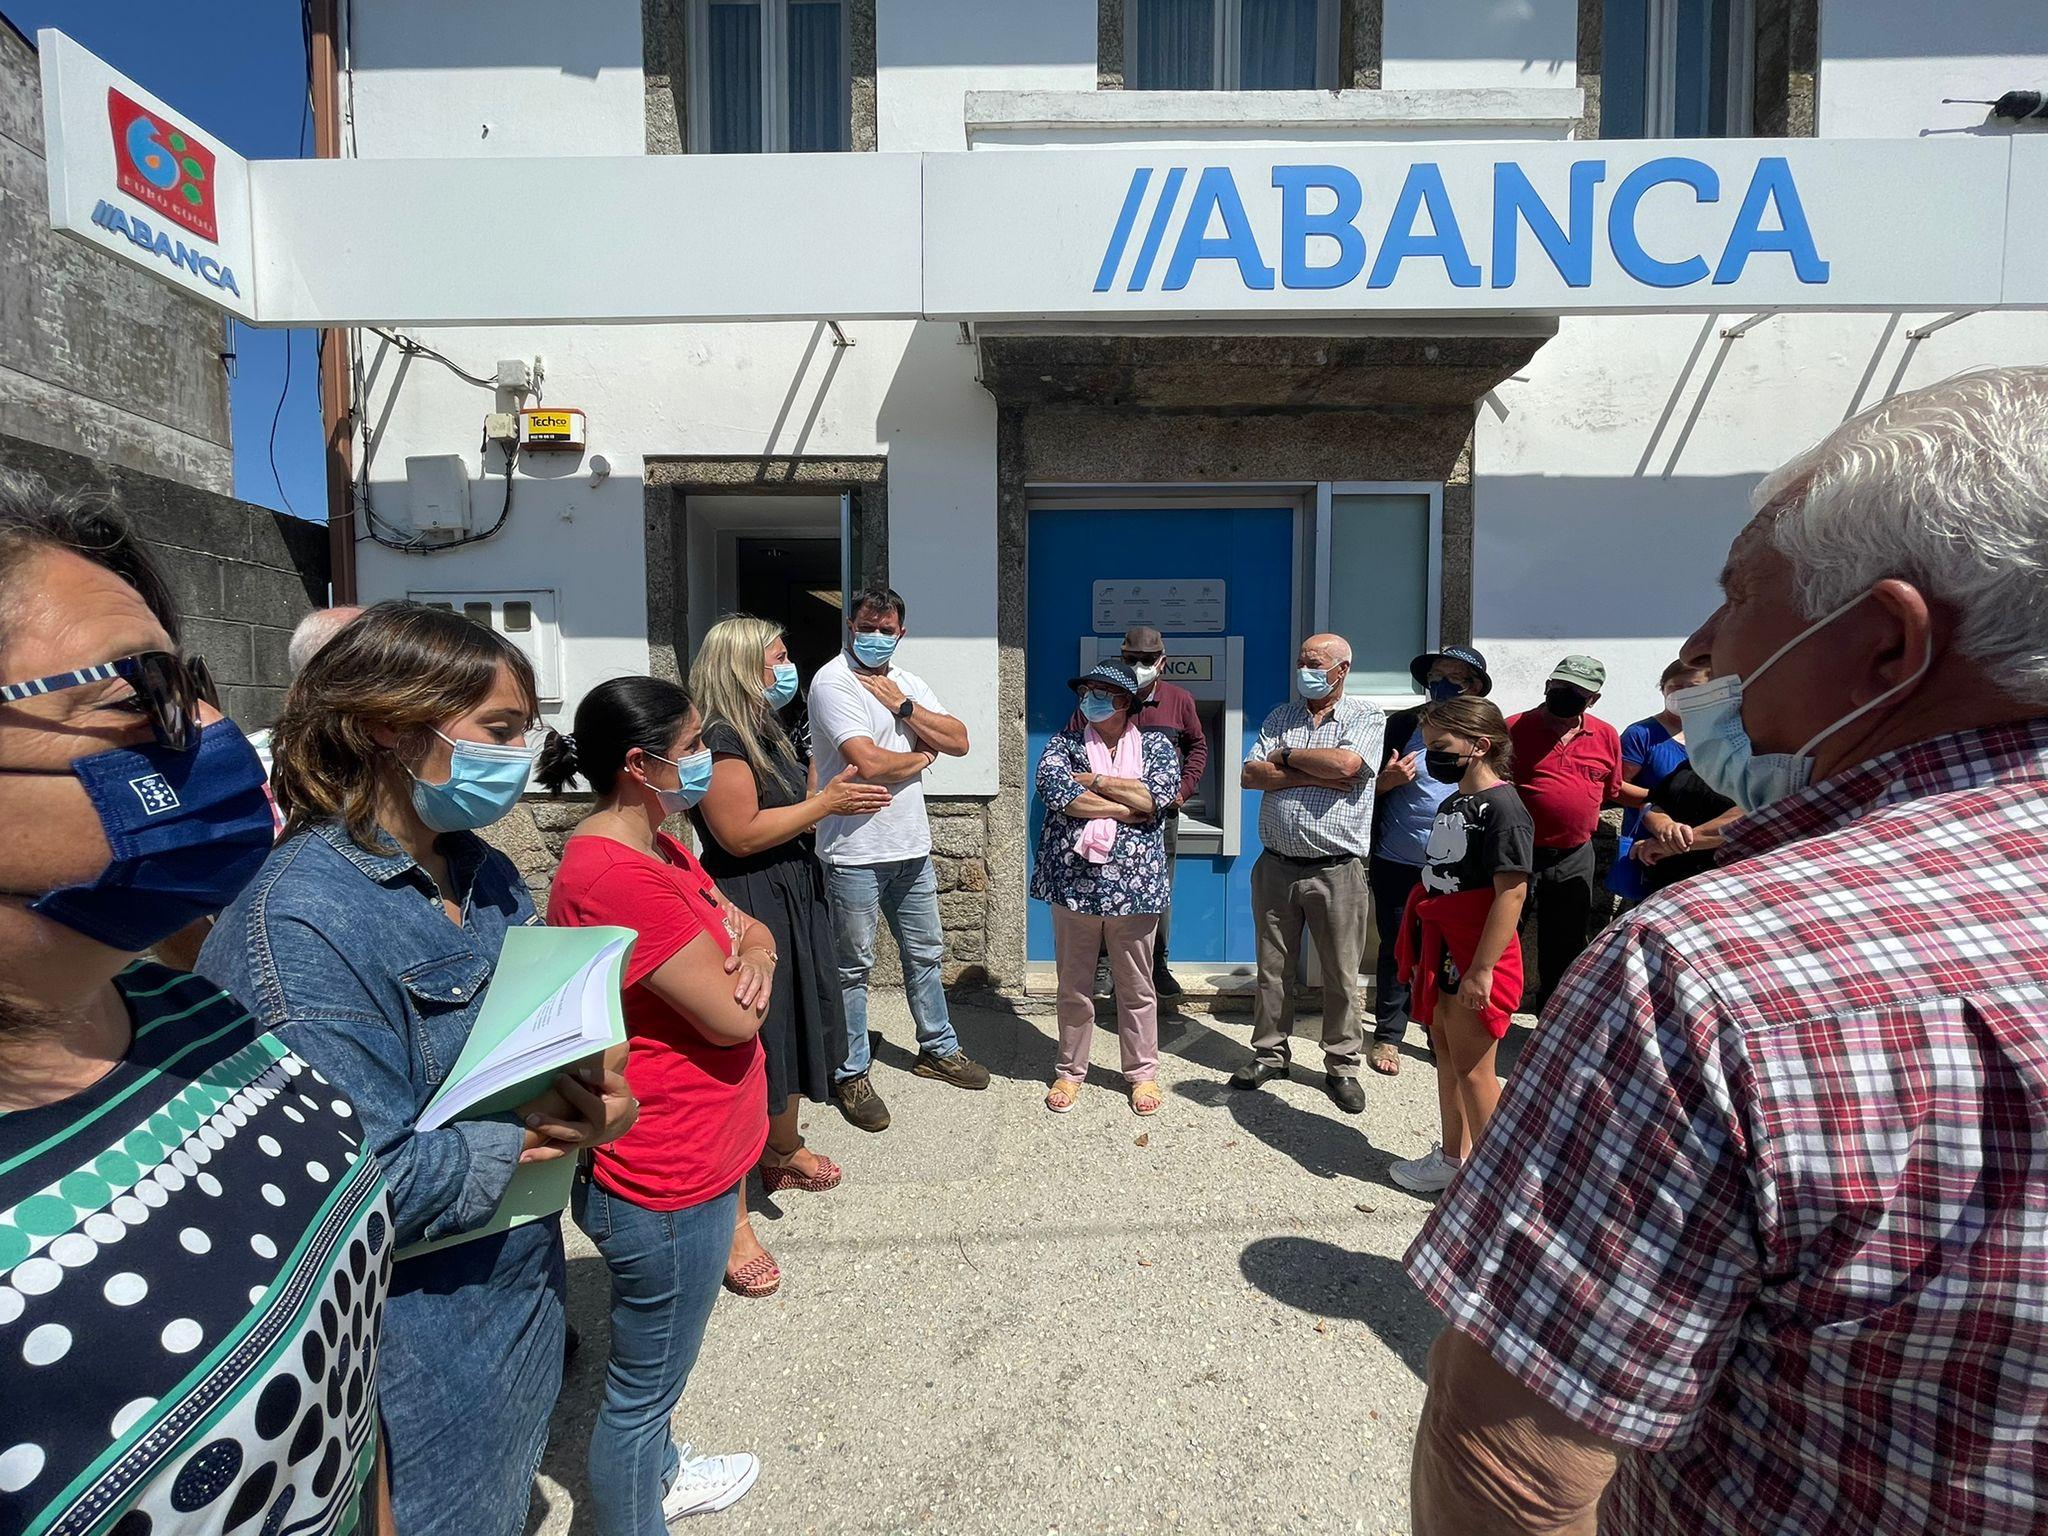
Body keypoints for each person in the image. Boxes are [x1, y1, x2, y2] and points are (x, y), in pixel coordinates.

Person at [1405, 367, 2048, 1535]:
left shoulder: (1710, 976)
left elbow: (1512, 1469)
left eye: (1738, 595)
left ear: (1884, 649)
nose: (1700, 646)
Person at [0, 472, 395, 1535]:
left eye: (197, 682)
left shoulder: (195, 1016)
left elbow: (343, 1410)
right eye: (143, 698)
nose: (217, 732)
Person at [198, 601, 635, 1536]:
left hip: (514, 1285)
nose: (522, 758)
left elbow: (533, 1038)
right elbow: (344, 1185)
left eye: (526, 730)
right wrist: (521, 1140)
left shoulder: (483, 872)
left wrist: (596, 1090)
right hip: (407, 1342)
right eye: (499, 732)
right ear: (387, 728)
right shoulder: (301, 923)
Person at [537, 677, 770, 1529]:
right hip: (664, 1175)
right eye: (697, 745)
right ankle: (633, 1511)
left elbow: (750, 931)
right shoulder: (616, 876)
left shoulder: (662, 848)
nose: (708, 760)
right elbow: (729, 1019)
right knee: (641, 1394)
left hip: (695, 1157)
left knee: (658, 1375)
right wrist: (749, 967)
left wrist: (762, 953)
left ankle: (663, 1471)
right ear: (641, 765)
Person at [688, 615, 889, 1296]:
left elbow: (791, 808)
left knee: (803, 1018)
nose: (786, 666)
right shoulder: (718, 739)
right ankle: (739, 1193)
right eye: (775, 656)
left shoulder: (764, 727)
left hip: (795, 885)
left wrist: (831, 805)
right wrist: (826, 801)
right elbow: (739, 835)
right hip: (754, 895)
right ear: (742, 665)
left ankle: (782, 1147)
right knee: (762, 1032)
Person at [806, 586, 988, 1132]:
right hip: (854, 853)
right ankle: (851, 1071)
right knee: (853, 968)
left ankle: (937, 1049)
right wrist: (922, 755)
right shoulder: (832, 680)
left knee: (926, 955)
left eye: (888, 629)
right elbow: (867, 762)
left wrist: (906, 710)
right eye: (868, 625)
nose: (877, 636)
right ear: (850, 626)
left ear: (901, 632)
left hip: (911, 846)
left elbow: (960, 739)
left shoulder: (906, 684)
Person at [1385, 696, 1531, 1195]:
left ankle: (1496, 1185)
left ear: (1480, 745)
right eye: (1427, 747)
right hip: (1443, 945)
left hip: (1476, 951)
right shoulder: (1454, 803)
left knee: (1474, 1070)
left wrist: (1483, 970)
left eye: (1442, 747)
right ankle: (1454, 1158)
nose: (1431, 758)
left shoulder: (1505, 809)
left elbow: (1511, 892)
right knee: (1445, 1054)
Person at [1234, 634, 1385, 1113]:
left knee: (1340, 974)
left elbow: (1348, 764)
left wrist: (1285, 757)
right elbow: (1250, 775)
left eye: (1314, 663)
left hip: (1336, 870)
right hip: (1276, 864)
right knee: (1271, 970)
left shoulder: (1366, 716)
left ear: (1342, 669)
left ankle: (1341, 1065)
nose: (1305, 670)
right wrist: (1307, 769)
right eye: (1301, 661)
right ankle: (1270, 1053)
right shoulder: (1281, 716)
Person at [1033, 659, 1182, 1116]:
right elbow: (1056, 790)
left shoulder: (1157, 746)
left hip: (1135, 889)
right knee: (1074, 984)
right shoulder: (1065, 743)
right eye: (1086, 691)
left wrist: (1097, 781)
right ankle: (1070, 1069)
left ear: (1123, 702)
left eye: (1099, 692)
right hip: (1075, 884)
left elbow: (1154, 797)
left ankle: (1142, 1074)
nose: (1088, 700)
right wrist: (1124, 806)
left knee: (1136, 986)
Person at [1369, 644, 1492, 1076]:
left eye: (1452, 677)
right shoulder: (1401, 725)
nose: (1438, 684)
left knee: (1444, 950)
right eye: (1435, 674)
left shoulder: (1483, 733)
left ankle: (1438, 1028)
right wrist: (1386, 782)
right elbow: (1367, 791)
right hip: (1396, 859)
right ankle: (1388, 1035)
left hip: (1457, 868)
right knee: (1396, 945)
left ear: (1474, 687)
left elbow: (1495, 789)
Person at [1066, 625, 1207, 999]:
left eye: (1147, 659)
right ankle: (1104, 966)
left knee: (1157, 890)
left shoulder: (1180, 700)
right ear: (1121, 657)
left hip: (1159, 817)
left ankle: (1157, 963)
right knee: (1099, 886)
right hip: (1102, 817)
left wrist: (1181, 789)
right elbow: (1070, 752)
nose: (1140, 665)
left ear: (1162, 662)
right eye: (1132, 659)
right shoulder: (1097, 699)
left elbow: (1198, 747)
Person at [1505, 655, 1647, 1011]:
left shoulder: (1605, 735)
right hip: (1517, 852)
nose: (1565, 694)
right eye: (1560, 686)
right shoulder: (1513, 728)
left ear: (1593, 699)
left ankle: (1551, 1022)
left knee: (1565, 944)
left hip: (1574, 853)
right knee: (1501, 938)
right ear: (1547, 686)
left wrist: (1667, 799)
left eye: (1577, 692)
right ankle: (1486, 1020)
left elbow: (1613, 789)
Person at [1613, 659, 1739, 900]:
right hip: (1652, 852)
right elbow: (1617, 787)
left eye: (1693, 687)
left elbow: (1751, 807)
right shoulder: (1642, 734)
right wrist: (1660, 818)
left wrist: (1680, 837)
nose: (1684, 695)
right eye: (1675, 687)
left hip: (1713, 865)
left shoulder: (1727, 736)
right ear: (1663, 688)